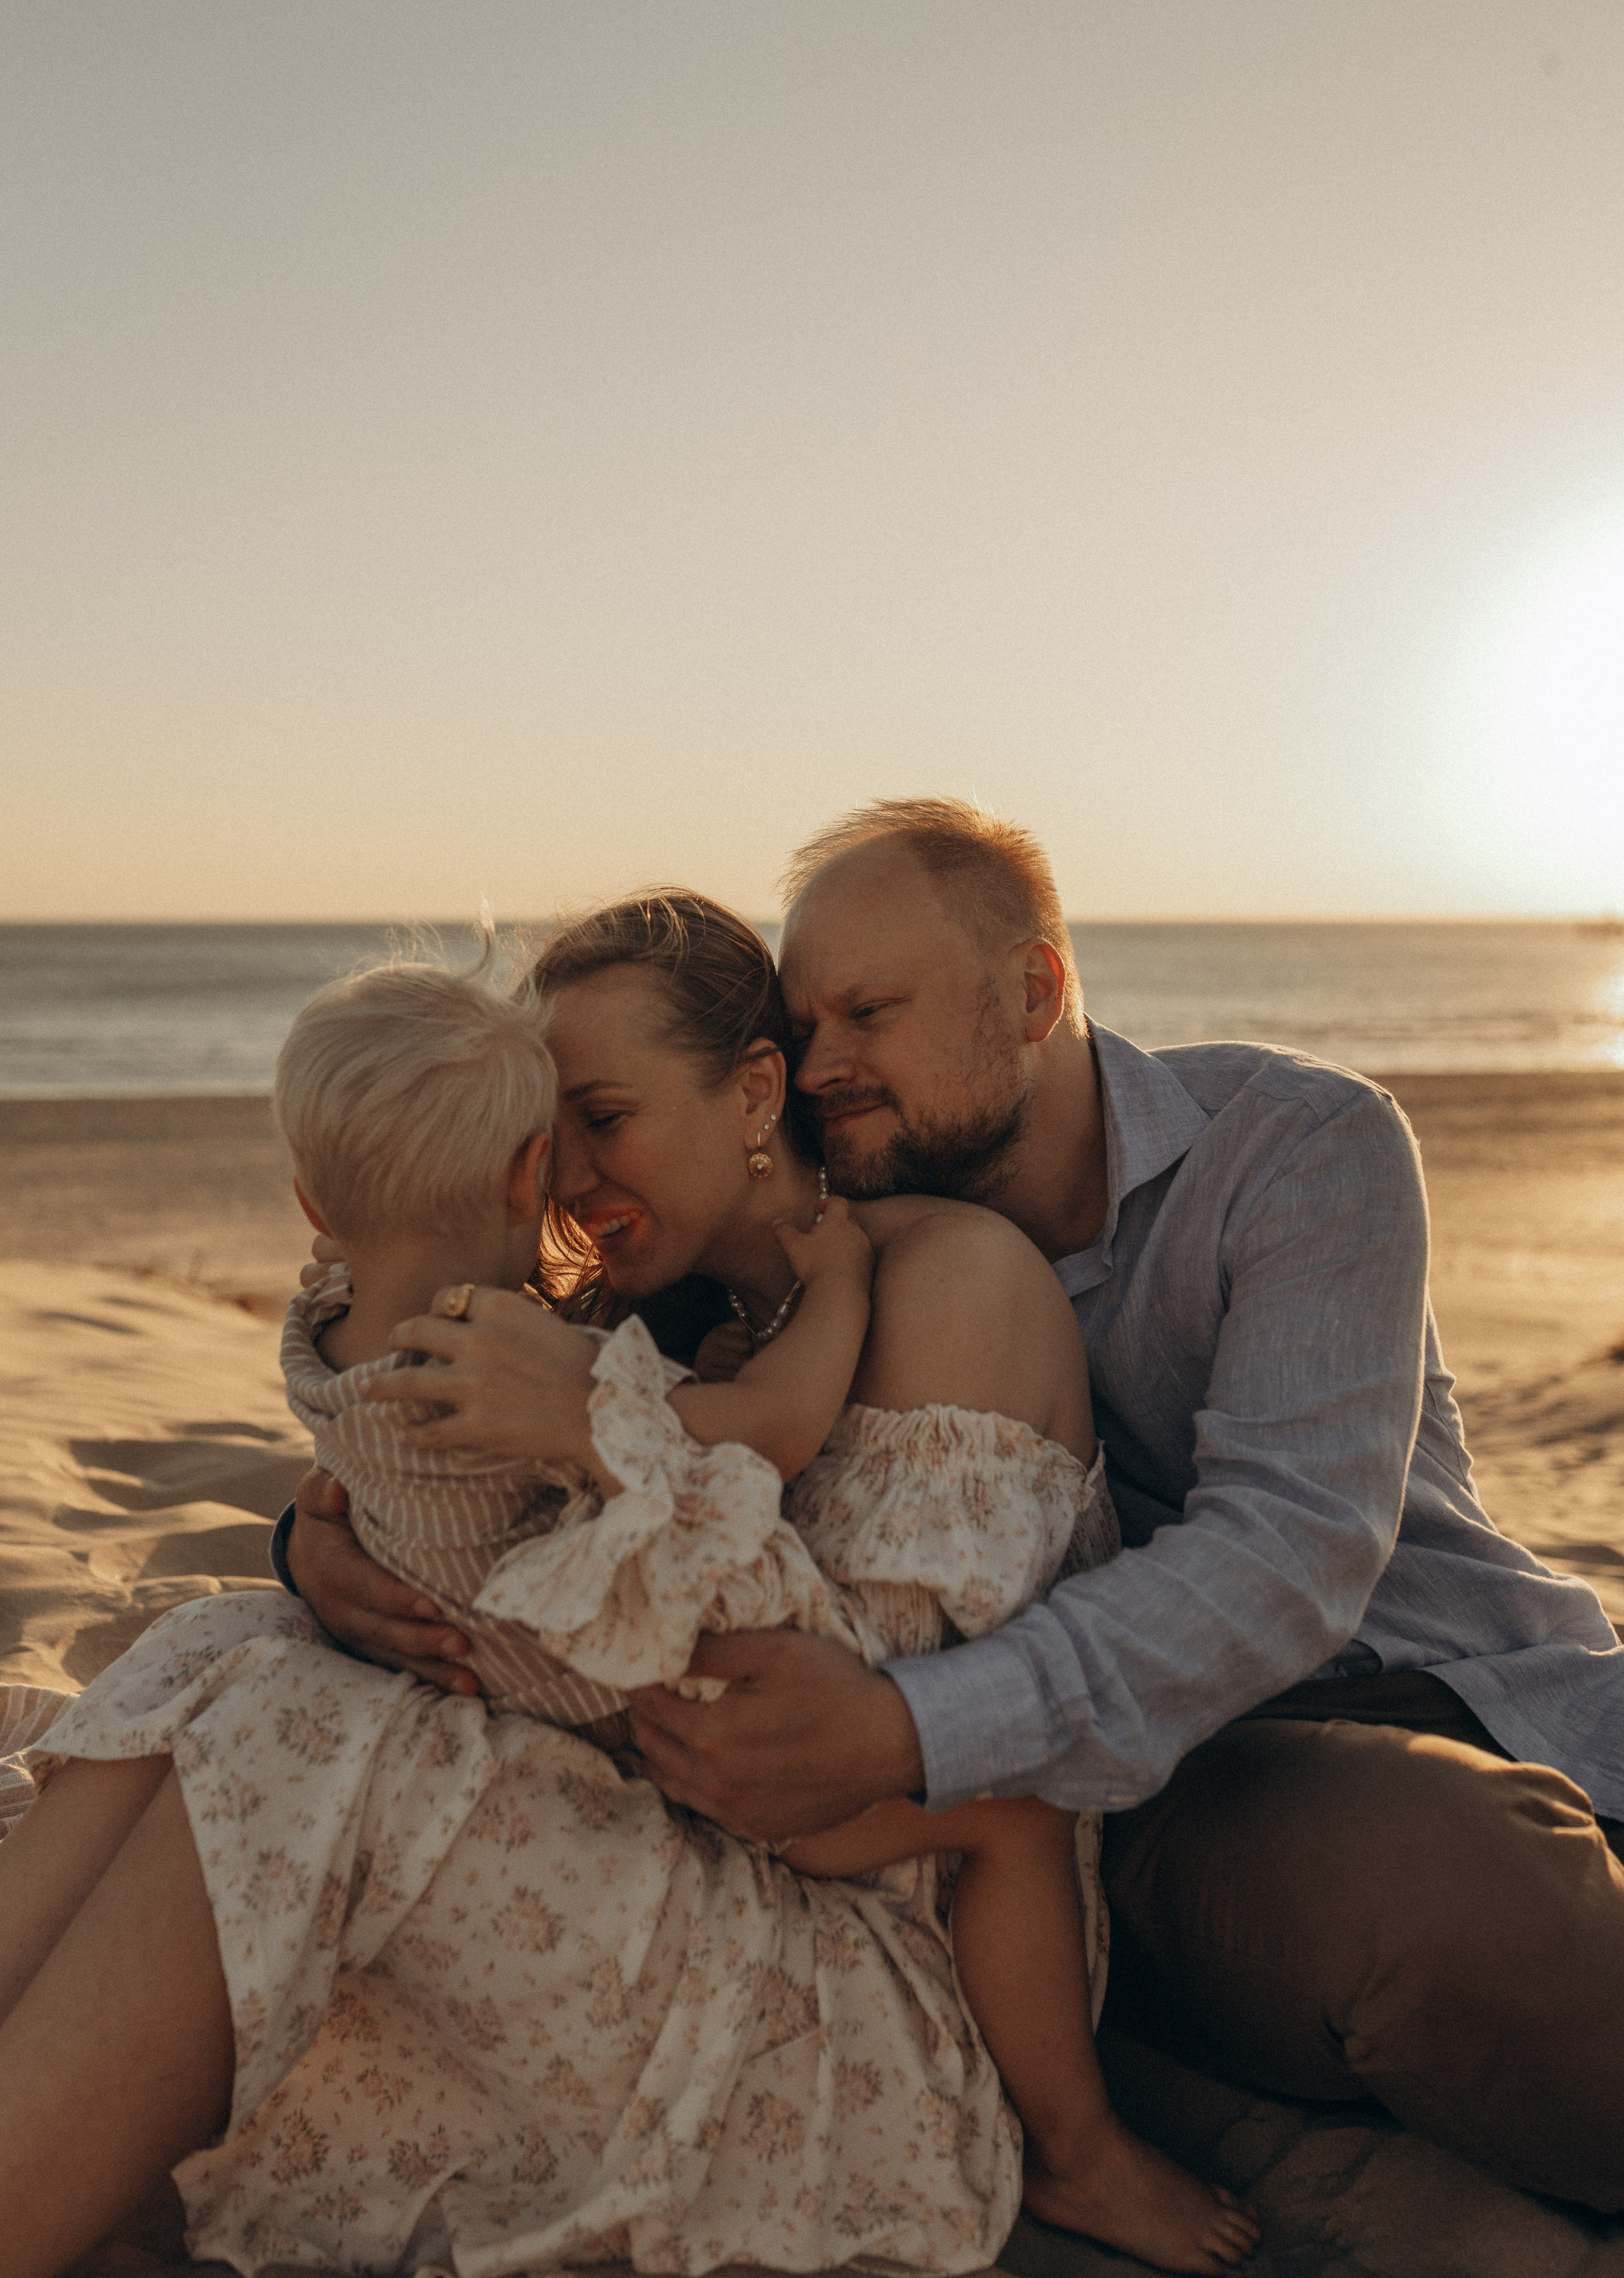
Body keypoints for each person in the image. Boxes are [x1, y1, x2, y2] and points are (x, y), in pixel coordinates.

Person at [294, 802, 1624, 2214]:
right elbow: (481, 1429)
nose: (820, 1067)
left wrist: (913, 1732)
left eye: (867, 1013)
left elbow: (1291, 1559)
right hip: (1163, 1797)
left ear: (1035, 991)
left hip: (1410, 1679)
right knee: (1427, 1884)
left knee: (1460, 1865)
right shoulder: (783, 1261)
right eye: (802, 1027)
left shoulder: (1293, 1146)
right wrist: (308, 1545)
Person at [0, 898, 1253, 2278]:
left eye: (603, 1116)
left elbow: (807, 1744)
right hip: (674, 1872)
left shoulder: (941, 1283)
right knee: (224, 1647)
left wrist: (595, 1446)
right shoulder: (643, 1320)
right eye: (547, 1133)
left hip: (866, 1974)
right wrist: (320, 1566)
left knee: (296, 1738)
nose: (560, 1177)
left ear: (755, 1092)